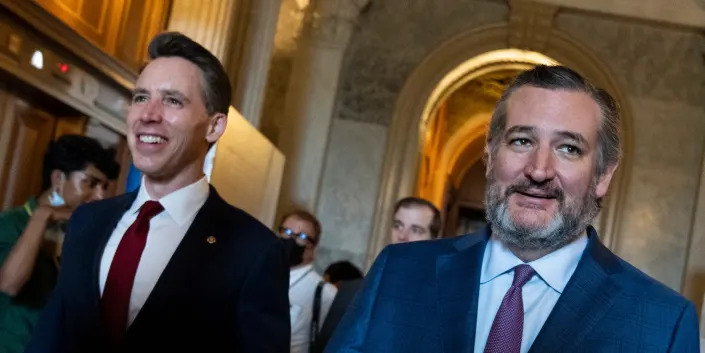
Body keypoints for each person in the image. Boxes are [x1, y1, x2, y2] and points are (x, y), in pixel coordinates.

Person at [325, 65, 699, 352]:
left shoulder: (661, 322)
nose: (538, 170)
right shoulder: (400, 272)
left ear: (602, 175)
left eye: (569, 148)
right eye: (522, 140)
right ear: (490, 156)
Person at [25, 32, 290, 353]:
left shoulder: (253, 251)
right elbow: (51, 337)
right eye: (140, 97)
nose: (148, 114)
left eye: (172, 100)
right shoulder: (88, 222)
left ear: (214, 126)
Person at [0, 134, 118, 353]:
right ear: (58, 179)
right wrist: (41, 217)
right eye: (91, 183)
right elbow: (9, 284)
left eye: (103, 187)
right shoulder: (11, 224)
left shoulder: (77, 234)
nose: (100, 197)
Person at [277, 210, 336, 353]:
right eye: (287, 231)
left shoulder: (324, 292)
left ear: (313, 246)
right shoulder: (259, 273)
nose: (291, 239)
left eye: (302, 236)